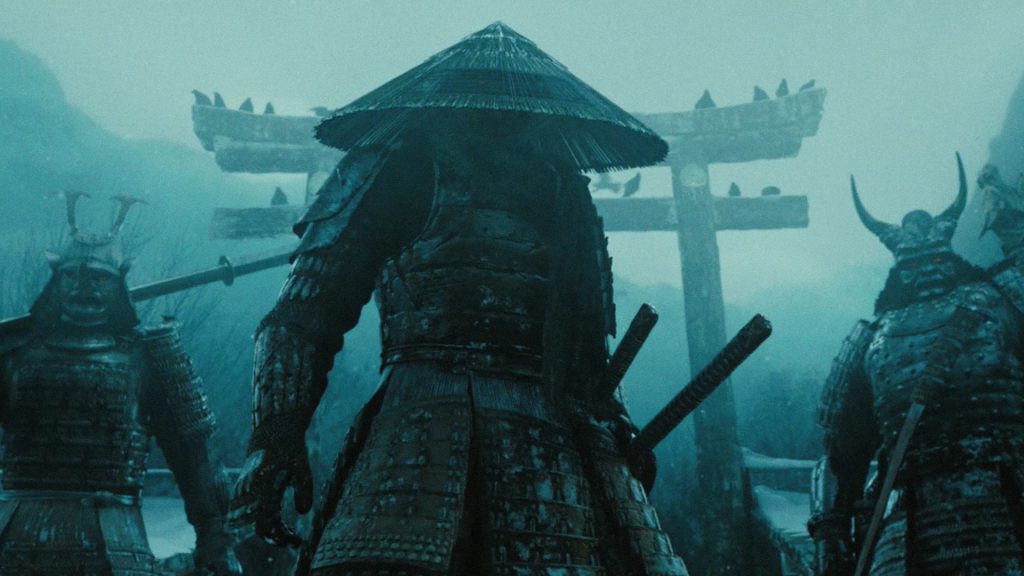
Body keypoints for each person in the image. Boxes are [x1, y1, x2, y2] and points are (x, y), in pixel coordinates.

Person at [229, 22, 689, 576]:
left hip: (554, 443)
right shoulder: (399, 166)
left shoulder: (565, 189)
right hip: (422, 428)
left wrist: (615, 422)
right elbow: (302, 315)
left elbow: (588, 345)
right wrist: (275, 436)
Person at [0, 193, 240, 575]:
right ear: (55, 281)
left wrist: (215, 538)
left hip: (116, 542)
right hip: (16, 538)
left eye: (100, 278)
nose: (83, 288)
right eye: (71, 276)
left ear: (119, 284)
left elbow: (194, 457)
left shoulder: (150, 358)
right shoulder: (13, 356)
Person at [810, 158, 1024, 575]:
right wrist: (830, 531)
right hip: (936, 518)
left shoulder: (873, 340)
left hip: (969, 511)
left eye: (935, 261)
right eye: (915, 266)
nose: (926, 271)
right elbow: (842, 455)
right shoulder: (1001, 302)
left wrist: (832, 534)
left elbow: (842, 455)